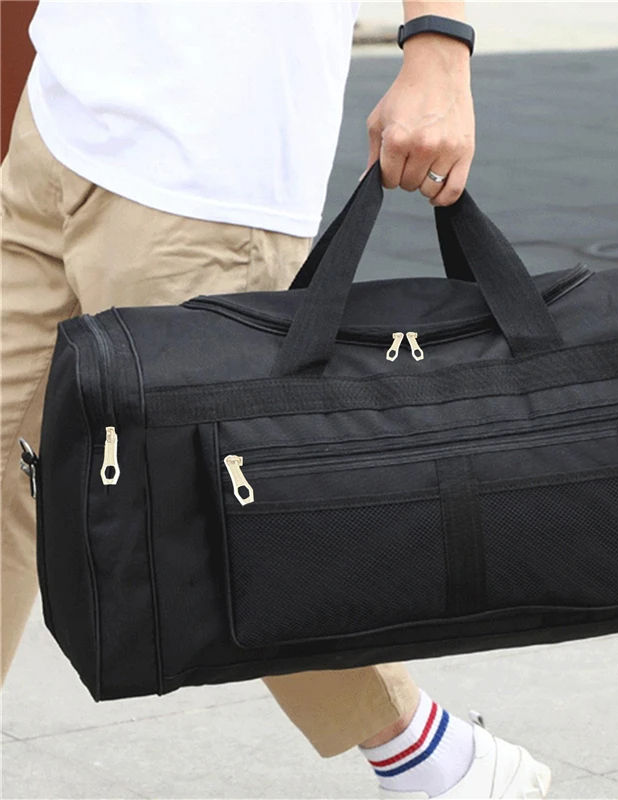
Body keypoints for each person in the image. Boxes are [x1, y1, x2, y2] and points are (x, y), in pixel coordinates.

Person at [0, 2, 551, 797]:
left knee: (228, 514)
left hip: (204, 168)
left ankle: (439, 762)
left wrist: (441, 49)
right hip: (59, 116)